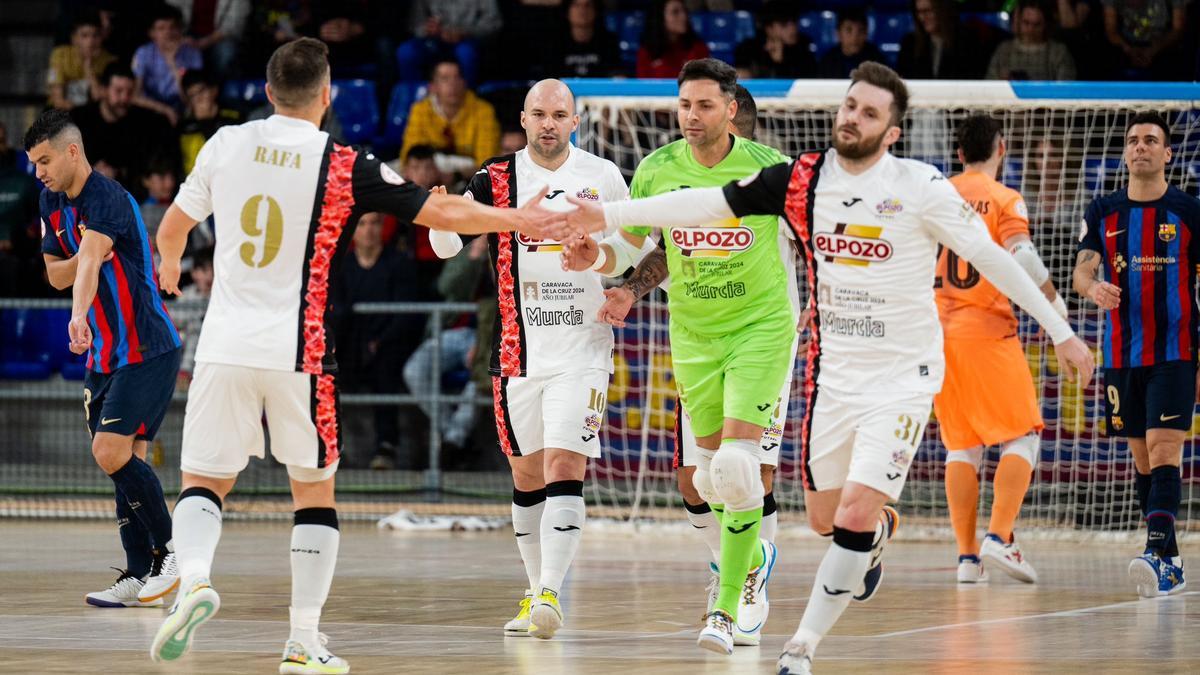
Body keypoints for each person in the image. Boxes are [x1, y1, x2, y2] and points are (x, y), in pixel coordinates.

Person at [557, 61, 1095, 673]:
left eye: (870, 112)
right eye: (849, 106)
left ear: (892, 131)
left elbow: (994, 260)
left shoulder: (920, 186)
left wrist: (1062, 331)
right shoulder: (802, 179)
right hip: (826, 371)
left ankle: (786, 640)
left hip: (892, 371)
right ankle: (867, 535)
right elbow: (705, 203)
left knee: (766, 479)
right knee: (810, 514)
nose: (852, 118)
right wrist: (605, 223)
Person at [147, 37, 559, 671]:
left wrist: (171, 264)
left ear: (265, 91)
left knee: (203, 482)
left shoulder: (224, 144)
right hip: (300, 353)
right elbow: (441, 210)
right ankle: (302, 640)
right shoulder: (341, 162)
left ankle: (197, 579)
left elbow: (172, 227)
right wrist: (519, 221)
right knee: (313, 493)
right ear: (327, 94)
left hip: (223, 348)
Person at [560, 59, 791, 655]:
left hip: (760, 331)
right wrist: (602, 265)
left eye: (705, 105)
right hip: (692, 335)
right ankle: (748, 557)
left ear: (731, 108)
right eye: (684, 105)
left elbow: (813, 240)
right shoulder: (659, 168)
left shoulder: (768, 171)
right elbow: (639, 248)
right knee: (706, 476)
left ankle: (728, 603)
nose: (692, 116)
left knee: (740, 469)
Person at [426, 78, 631, 641]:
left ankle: (550, 591)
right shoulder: (495, 179)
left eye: (558, 114)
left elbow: (637, 241)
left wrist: (625, 283)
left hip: (584, 347)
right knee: (526, 473)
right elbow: (445, 244)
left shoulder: (603, 177)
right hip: (517, 350)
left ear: (574, 121)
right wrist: (445, 214)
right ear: (523, 118)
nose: (547, 123)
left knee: (566, 465)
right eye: (538, 113)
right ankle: (533, 586)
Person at [25, 108, 182, 609]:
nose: (39, 171)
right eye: (33, 163)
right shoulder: (50, 199)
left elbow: (88, 263)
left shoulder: (108, 198)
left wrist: (77, 315)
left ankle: (174, 555)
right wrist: (77, 267)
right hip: (106, 356)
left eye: (45, 159)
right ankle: (139, 573)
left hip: (147, 349)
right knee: (124, 460)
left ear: (73, 151)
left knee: (109, 452)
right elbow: (56, 273)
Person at [936, 114, 1069, 585]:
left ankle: (968, 560)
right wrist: (1056, 309)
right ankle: (999, 535)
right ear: (1002, 149)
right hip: (987, 330)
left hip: (938, 332)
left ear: (957, 154)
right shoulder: (1003, 198)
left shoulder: (936, 191)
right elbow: (1023, 257)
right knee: (1024, 434)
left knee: (963, 446)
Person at [1073, 111, 1200, 598]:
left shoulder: (1189, 211)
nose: (1140, 146)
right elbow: (1082, 272)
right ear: (1126, 153)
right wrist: (1093, 289)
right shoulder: (1103, 210)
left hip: (1176, 351)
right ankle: (1172, 564)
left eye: (1151, 140)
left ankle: (1153, 552)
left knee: (1166, 452)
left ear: (1167, 154)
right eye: (1133, 141)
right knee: (1144, 462)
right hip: (1122, 357)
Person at [333, 212, 406, 467]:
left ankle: (387, 447)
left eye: (375, 223)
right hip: (350, 343)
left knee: (386, 369)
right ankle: (332, 446)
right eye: (362, 224)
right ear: (353, 231)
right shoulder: (342, 265)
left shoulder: (398, 263)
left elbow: (405, 314)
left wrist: (380, 340)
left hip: (389, 343)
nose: (369, 230)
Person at [71, 63, 180, 193]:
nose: (124, 98)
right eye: (118, 91)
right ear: (104, 90)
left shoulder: (141, 122)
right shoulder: (79, 118)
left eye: (129, 92)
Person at [399, 58, 501, 172]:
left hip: (469, 180)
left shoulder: (484, 111)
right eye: (445, 79)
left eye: (457, 78)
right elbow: (409, 156)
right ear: (432, 86)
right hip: (427, 173)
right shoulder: (420, 110)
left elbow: (487, 164)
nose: (453, 84)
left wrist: (456, 176)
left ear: (464, 82)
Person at [400, 0, 502, 84]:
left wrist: (464, 32)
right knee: (407, 52)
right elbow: (415, 24)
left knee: (466, 54)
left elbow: (494, 22)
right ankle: (413, 100)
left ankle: (467, 101)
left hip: (468, 40)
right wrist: (428, 29)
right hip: (433, 40)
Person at [132, 4, 204, 123]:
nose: (168, 33)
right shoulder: (143, 53)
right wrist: (165, 109)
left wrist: (172, 62)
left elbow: (191, 101)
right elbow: (135, 96)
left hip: (182, 108)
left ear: (180, 29)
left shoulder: (193, 53)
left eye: (173, 27)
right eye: (161, 28)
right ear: (152, 33)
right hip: (151, 107)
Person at [986, 0, 1076, 80]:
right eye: (1026, 23)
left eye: (1036, 24)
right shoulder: (1004, 50)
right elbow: (988, 86)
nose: (1030, 29)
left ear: (1045, 25)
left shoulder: (1059, 53)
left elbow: (1066, 90)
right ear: (1018, 21)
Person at [898, 0, 986, 79]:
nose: (922, 17)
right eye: (918, 12)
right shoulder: (909, 43)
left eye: (928, 11)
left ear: (943, 10)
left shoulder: (967, 42)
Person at [47, 11, 116, 110]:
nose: (91, 42)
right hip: (61, 112)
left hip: (94, 114)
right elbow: (58, 100)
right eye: (84, 36)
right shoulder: (60, 55)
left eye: (95, 36)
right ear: (74, 38)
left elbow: (99, 98)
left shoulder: (109, 61)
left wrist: (89, 68)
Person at [178, 70, 242, 175]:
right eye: (192, 95)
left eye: (201, 91)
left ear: (213, 90)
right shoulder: (185, 128)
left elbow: (234, 155)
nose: (198, 98)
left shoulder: (234, 118)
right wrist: (203, 122)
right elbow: (190, 167)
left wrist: (206, 122)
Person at [1103, 0, 1188, 79]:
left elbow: (1177, 29)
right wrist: (1128, 50)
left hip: (1165, 48)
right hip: (1122, 49)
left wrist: (1154, 50)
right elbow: (1111, 31)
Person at [733, 0, 815, 79]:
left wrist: (779, 63)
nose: (792, 29)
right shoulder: (748, 49)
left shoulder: (803, 47)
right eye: (784, 24)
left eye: (794, 22)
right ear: (769, 28)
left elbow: (808, 82)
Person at [166, 0, 251, 76]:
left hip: (221, 37)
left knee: (226, 53)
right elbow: (170, 13)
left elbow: (233, 25)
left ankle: (217, 89)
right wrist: (181, 37)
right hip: (186, 34)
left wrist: (203, 43)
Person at [549, 0, 623, 78]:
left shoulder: (609, 42)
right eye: (576, 5)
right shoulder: (555, 42)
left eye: (588, 5)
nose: (582, 10)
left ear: (595, 11)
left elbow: (615, 74)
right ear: (567, 11)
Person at [636, 0, 709, 79]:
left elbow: (703, 84)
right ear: (660, 17)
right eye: (675, 12)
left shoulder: (698, 48)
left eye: (684, 11)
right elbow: (643, 87)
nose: (683, 16)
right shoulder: (646, 52)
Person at [818, 8, 886, 79]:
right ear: (838, 34)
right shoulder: (828, 62)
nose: (855, 37)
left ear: (866, 34)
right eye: (849, 30)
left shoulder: (877, 61)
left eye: (861, 30)